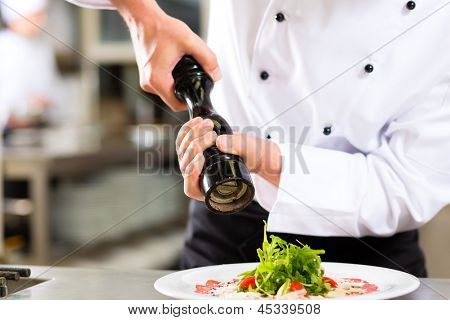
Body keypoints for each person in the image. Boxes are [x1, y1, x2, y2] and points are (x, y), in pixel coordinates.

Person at [67, 0, 450, 277]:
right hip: (231, 222)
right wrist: (141, 14)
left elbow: (410, 181)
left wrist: (271, 160)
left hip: (372, 251)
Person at [0, 0, 59, 131]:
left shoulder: (44, 49)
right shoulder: (2, 47)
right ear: (17, 17)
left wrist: (44, 103)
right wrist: (7, 116)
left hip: (37, 129)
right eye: (36, 15)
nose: (43, 21)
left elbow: (52, 93)